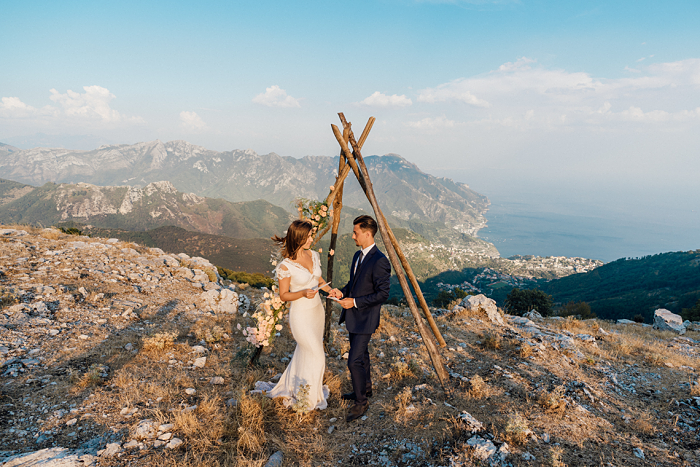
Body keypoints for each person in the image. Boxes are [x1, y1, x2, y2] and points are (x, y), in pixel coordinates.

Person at [252, 219, 331, 410]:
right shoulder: (285, 267)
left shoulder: (313, 255)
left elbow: (317, 278)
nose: (312, 238)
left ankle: (301, 388)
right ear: (299, 238)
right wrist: (303, 293)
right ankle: (309, 398)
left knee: (307, 353)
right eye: (309, 236)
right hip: (301, 315)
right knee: (317, 354)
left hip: (317, 312)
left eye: (311, 235)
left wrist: (331, 290)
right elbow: (284, 295)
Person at [329, 215, 391, 422]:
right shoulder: (357, 256)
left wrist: (354, 302)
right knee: (362, 356)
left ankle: (361, 402)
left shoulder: (380, 261)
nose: (353, 235)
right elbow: (354, 284)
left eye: (355, 232)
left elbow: (383, 294)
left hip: (366, 318)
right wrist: (342, 292)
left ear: (367, 233)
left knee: (353, 361)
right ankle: (365, 390)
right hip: (354, 317)